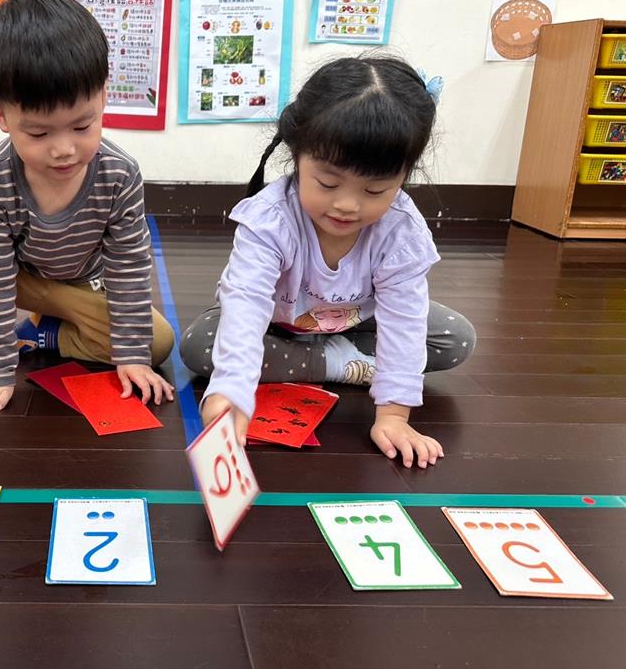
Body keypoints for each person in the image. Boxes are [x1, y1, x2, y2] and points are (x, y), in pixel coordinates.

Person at [179, 57, 476, 469]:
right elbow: (246, 304)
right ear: (297, 155)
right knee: (200, 346)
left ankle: (339, 359)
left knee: (455, 338)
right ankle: (342, 362)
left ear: (404, 176)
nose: (347, 205)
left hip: (358, 321)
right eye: (328, 183)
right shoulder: (270, 219)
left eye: (375, 191)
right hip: (276, 324)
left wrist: (393, 415)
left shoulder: (401, 231)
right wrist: (231, 391)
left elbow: (404, 319)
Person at [0, 0, 175, 416]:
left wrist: (133, 357)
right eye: (39, 133)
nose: (64, 149)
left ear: (103, 96)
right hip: (14, 277)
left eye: (82, 126)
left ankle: (45, 334)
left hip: (80, 290)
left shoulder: (120, 174)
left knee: (154, 342)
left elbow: (128, 268)